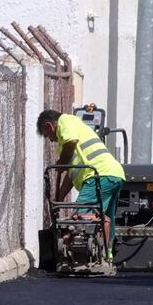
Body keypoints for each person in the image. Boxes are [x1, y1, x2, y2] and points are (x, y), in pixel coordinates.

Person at [36, 108, 126, 261]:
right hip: (114, 174)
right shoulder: (75, 134)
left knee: (80, 219)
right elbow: (70, 177)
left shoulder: (66, 121)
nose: (51, 140)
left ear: (49, 126)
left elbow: (71, 142)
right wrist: (58, 199)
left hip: (98, 175)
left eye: (48, 136)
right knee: (105, 217)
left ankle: (79, 258)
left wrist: (61, 162)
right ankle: (107, 256)